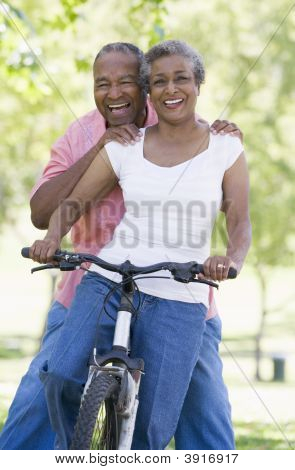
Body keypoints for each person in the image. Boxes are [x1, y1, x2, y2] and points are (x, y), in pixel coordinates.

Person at [0, 42, 243, 450]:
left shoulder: (197, 133)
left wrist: (230, 257)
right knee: (38, 399)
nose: (114, 93)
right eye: (102, 83)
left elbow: (236, 211)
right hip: (89, 285)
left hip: (177, 293)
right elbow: (44, 213)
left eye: (126, 82)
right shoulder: (83, 135)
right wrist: (102, 144)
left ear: (144, 88)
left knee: (206, 421)